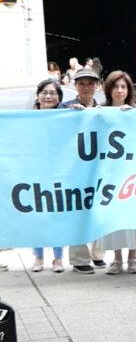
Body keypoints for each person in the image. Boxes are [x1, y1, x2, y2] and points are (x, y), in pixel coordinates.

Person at [99, 70, 136, 274]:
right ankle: (116, 258)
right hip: (109, 172)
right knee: (113, 216)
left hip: (132, 171)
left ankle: (133, 257)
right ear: (109, 89)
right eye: (116, 86)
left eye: (123, 86)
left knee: (132, 214)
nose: (120, 90)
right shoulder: (100, 111)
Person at [61, 67, 106, 273]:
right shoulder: (65, 108)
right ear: (75, 86)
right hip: (74, 169)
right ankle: (79, 258)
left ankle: (98, 254)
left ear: (97, 86)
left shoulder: (103, 109)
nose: (86, 87)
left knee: (98, 209)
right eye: (82, 83)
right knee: (78, 211)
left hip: (97, 167)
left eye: (90, 83)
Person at [30, 79, 65, 273]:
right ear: (38, 95)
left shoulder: (65, 117)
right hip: (34, 173)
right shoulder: (26, 119)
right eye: (45, 92)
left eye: (53, 93)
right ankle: (38, 256)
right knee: (37, 216)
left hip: (59, 173)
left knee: (57, 216)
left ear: (59, 97)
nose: (48, 96)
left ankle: (58, 258)